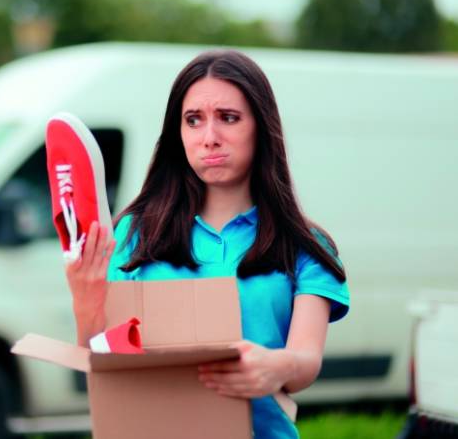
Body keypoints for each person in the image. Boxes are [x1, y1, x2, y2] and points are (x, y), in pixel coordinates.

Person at [65, 49, 350, 439]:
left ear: (261, 127)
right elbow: (100, 361)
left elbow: (305, 361)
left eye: (228, 118)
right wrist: (85, 299)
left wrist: (276, 367)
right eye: (193, 120)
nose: (209, 138)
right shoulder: (134, 235)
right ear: (177, 133)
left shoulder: (305, 245)